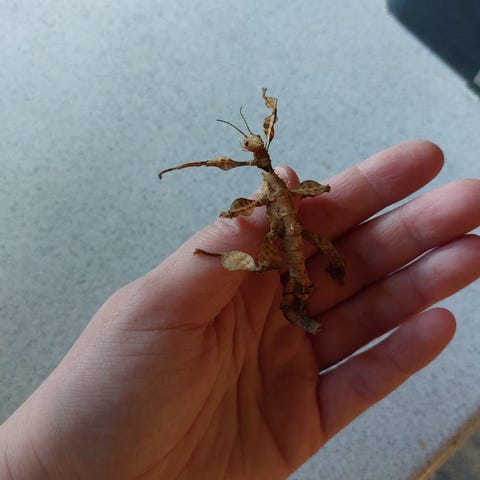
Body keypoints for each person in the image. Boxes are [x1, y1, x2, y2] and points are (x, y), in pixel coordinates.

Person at [1, 140, 479, 480]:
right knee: (261, 256)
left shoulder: (274, 182)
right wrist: (226, 215)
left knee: (310, 249)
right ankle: (292, 287)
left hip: (298, 241)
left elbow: (314, 192)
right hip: (284, 247)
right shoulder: (263, 181)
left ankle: (315, 279)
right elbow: (261, 199)